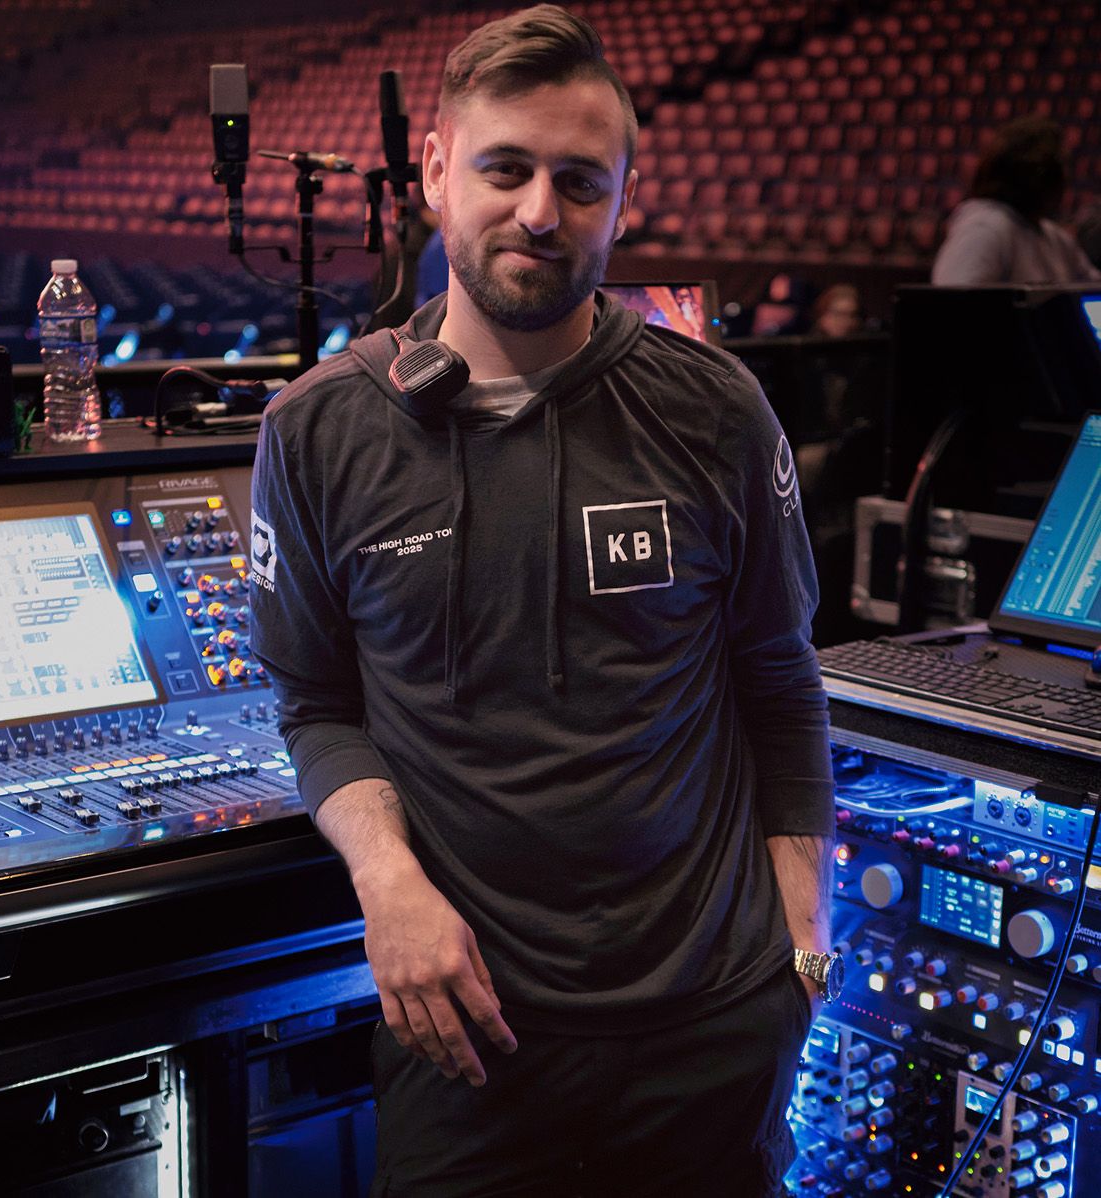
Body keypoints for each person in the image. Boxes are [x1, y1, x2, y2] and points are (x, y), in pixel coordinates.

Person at [247, 7, 835, 1195]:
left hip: (710, 1029)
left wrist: (801, 943)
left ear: (622, 198)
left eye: (579, 181)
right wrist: (390, 885)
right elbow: (315, 702)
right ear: (433, 173)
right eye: (504, 169)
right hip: (466, 1039)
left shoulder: (718, 409)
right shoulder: (316, 429)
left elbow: (780, 680)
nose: (537, 212)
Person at [931, 116, 1100, 285]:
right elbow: (952, 306)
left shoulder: (1055, 238)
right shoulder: (984, 229)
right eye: (1059, 173)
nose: (1065, 183)